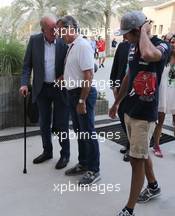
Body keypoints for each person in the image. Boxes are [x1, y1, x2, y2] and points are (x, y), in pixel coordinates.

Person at [109, 11, 170, 216]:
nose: (124, 38)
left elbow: (149, 55)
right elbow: (129, 75)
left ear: (138, 30)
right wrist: (117, 103)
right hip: (129, 109)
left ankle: (129, 209)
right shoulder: (133, 46)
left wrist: (144, 31)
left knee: (136, 160)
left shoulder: (162, 45)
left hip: (144, 113)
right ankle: (153, 186)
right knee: (141, 153)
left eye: (127, 33)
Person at [20, 16, 70, 169]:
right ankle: (47, 151)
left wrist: (67, 75)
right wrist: (24, 84)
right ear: (43, 30)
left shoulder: (64, 40)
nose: (56, 31)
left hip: (60, 88)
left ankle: (65, 155)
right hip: (41, 88)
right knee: (44, 123)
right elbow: (27, 65)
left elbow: (73, 62)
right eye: (51, 29)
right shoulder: (34, 40)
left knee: (61, 124)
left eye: (56, 28)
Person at [56, 15, 100, 186]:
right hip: (73, 94)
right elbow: (77, 70)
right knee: (81, 133)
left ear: (70, 28)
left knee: (88, 134)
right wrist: (65, 78)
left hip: (83, 96)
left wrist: (82, 101)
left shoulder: (82, 45)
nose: (59, 35)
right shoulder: (72, 46)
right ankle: (83, 163)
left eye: (61, 31)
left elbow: (89, 75)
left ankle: (94, 170)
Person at [153, 34, 175, 157]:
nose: (173, 44)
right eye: (172, 42)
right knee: (160, 120)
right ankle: (156, 145)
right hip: (163, 92)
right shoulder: (164, 57)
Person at [110, 37, 130, 161]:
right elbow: (115, 65)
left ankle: (132, 148)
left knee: (132, 120)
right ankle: (129, 142)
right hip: (121, 87)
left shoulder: (146, 46)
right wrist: (113, 84)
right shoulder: (122, 46)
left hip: (137, 90)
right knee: (122, 116)